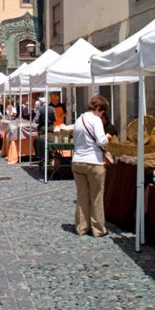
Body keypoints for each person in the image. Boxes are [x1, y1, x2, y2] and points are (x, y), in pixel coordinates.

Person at [71, 94, 110, 238]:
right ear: (98, 108)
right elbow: (101, 141)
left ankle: (82, 227)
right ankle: (98, 229)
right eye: (102, 111)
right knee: (96, 196)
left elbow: (75, 141)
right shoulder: (96, 120)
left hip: (77, 160)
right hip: (93, 161)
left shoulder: (78, 120)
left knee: (82, 196)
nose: (102, 114)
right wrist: (107, 138)